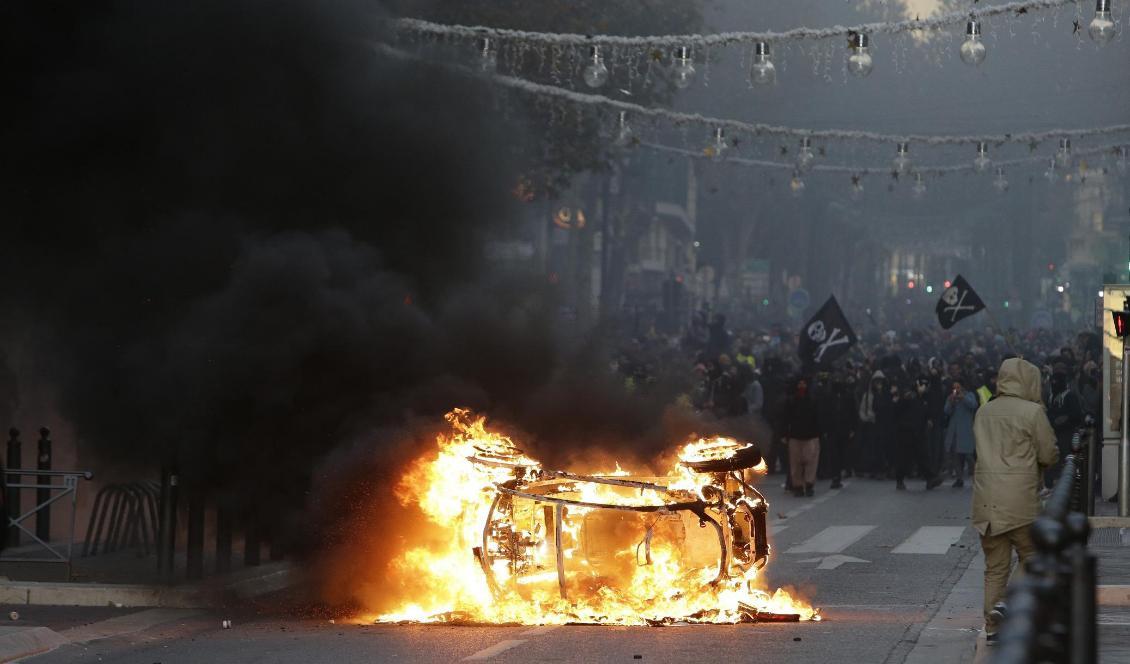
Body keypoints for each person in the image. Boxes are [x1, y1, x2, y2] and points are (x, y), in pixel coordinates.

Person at [972, 357, 1058, 644]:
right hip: (1020, 499)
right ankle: (1008, 602)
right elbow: (1048, 454)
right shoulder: (1032, 412)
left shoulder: (984, 412)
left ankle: (992, 625)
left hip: (986, 501)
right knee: (1032, 555)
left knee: (994, 567)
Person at [893, 377, 943, 491]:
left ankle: (930, 479)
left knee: (923, 456)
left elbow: (927, 410)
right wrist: (904, 399)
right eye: (922, 385)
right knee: (904, 457)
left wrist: (929, 419)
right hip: (906, 432)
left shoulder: (925, 398)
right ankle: (899, 480)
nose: (924, 388)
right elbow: (897, 410)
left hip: (919, 431)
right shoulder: (909, 396)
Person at [781, 377, 822, 497]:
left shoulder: (813, 400)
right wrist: (784, 434)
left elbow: (817, 418)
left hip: (811, 436)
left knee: (811, 463)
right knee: (795, 463)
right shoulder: (791, 401)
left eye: (804, 383)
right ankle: (798, 486)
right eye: (800, 383)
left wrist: (819, 433)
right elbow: (786, 418)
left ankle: (809, 485)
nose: (802, 386)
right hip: (795, 436)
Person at [944, 379, 978, 488]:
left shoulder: (969, 395)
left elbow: (973, 405)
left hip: (966, 429)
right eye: (954, 388)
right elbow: (946, 411)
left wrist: (963, 398)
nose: (956, 390)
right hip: (954, 429)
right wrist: (951, 402)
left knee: (968, 455)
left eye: (958, 387)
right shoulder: (951, 397)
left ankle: (976, 477)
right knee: (956, 455)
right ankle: (959, 478)